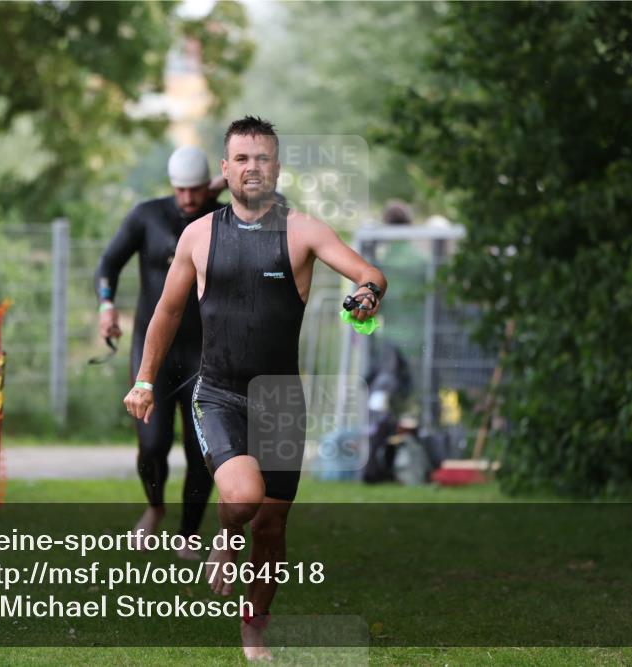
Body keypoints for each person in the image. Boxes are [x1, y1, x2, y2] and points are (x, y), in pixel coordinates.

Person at [123, 116, 387, 660]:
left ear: (276, 167)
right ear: (225, 169)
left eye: (262, 158)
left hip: (281, 401)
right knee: (241, 498)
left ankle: (254, 628)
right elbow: (167, 310)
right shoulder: (198, 236)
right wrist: (145, 380)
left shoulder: (304, 231)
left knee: (270, 527)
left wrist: (366, 295)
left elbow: (369, 273)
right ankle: (223, 538)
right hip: (217, 392)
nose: (252, 168)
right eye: (241, 159)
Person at [95, 146, 226, 558]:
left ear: (209, 185)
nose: (188, 198)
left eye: (196, 189)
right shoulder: (147, 216)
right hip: (154, 353)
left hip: (204, 354)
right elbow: (108, 264)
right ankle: (154, 509)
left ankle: (188, 533)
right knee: (152, 445)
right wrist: (106, 304)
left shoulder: (223, 218)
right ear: (172, 186)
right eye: (181, 190)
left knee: (199, 451)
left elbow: (271, 201)